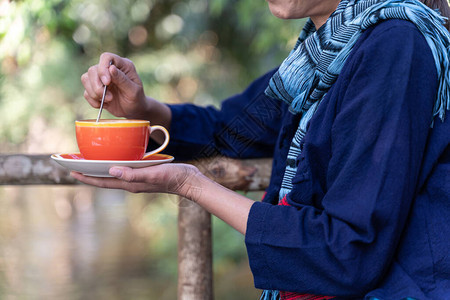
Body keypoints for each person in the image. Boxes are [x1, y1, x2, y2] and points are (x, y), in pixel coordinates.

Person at [73, 0, 450, 298]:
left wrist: (192, 186)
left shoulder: (396, 45)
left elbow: (349, 251)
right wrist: (141, 108)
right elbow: (233, 130)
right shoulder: (319, 55)